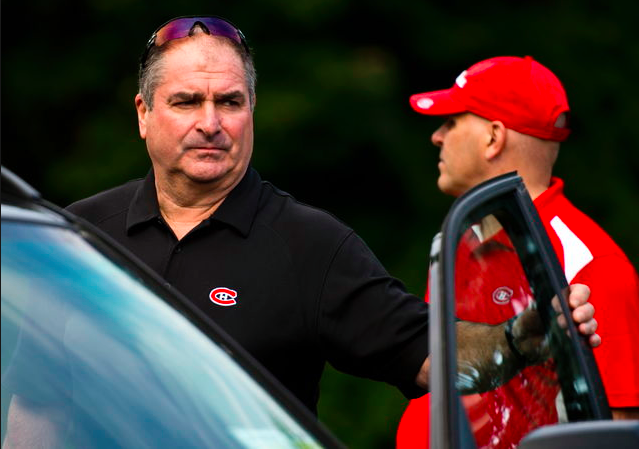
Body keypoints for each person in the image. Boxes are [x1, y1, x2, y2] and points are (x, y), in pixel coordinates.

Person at [1, 19, 601, 448]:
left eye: (229, 102)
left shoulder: (310, 244)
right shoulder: (80, 235)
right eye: (186, 102)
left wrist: (524, 337)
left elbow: (431, 356)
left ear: (251, 111)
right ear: (143, 114)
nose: (211, 124)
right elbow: (37, 404)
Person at [397, 55, 639, 447]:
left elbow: (611, 432)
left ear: (493, 137)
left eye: (451, 122)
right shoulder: (461, 239)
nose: (436, 137)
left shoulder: (591, 261)